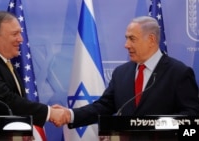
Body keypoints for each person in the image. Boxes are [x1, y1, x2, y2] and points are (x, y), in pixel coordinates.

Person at [52, 16, 199, 129]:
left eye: (132, 39)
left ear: (151, 40)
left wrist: (154, 125)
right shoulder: (121, 73)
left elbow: (191, 115)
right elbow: (103, 107)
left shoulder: (179, 73)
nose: (126, 45)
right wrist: (69, 115)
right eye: (126, 38)